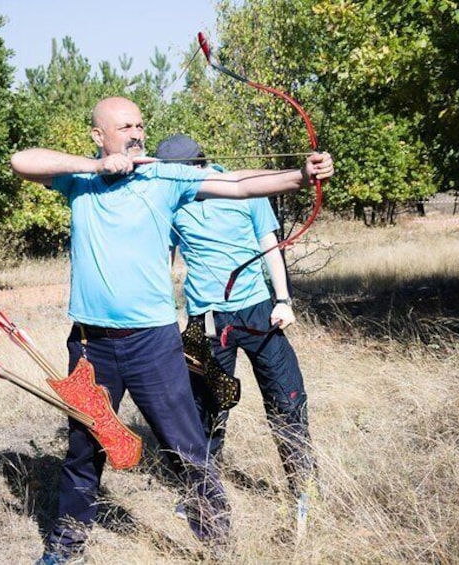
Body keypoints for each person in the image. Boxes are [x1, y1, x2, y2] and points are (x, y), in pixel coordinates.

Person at [10, 97, 333, 564]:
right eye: (124, 126)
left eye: (140, 125)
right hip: (89, 343)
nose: (136, 133)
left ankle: (220, 545)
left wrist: (302, 176)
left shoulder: (164, 177)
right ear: (99, 134)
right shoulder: (78, 180)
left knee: (187, 446)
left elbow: (239, 185)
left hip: (153, 342)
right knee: (85, 447)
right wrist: (98, 164)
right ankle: (66, 546)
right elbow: (21, 160)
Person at [158, 134, 318, 537]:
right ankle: (201, 492)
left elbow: (270, 245)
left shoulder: (242, 187)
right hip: (205, 317)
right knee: (208, 406)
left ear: (194, 164)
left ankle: (304, 488)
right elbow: (164, 257)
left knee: (286, 397)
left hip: (258, 310)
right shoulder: (173, 198)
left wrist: (283, 299)